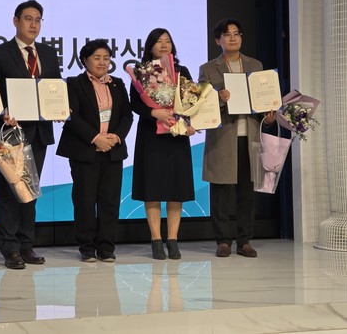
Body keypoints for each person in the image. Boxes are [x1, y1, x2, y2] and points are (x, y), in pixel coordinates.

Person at [0, 0, 61, 269]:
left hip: (39, 131)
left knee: (30, 190)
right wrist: (2, 111)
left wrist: (59, 108)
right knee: (9, 191)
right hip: (11, 133)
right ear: (15, 21)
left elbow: (54, 88)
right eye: (28, 19)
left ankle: (26, 245)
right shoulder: (0, 52)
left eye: (38, 20)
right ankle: (10, 249)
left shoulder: (48, 53)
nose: (33, 24)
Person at [198, 19, 275, 258]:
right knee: (221, 192)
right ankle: (223, 241)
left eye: (236, 34)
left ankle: (244, 241)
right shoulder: (208, 68)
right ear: (217, 40)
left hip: (250, 136)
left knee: (247, 192)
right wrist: (219, 98)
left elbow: (265, 98)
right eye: (227, 34)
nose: (232, 38)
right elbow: (201, 104)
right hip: (223, 137)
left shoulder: (255, 65)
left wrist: (268, 116)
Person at [57, 39, 133, 262]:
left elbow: (127, 116)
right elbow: (72, 116)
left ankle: (106, 247)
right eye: (97, 58)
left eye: (106, 58)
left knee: (110, 201)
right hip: (84, 150)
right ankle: (87, 247)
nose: (102, 62)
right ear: (84, 60)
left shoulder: (117, 84)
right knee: (85, 200)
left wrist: (115, 137)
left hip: (112, 150)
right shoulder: (74, 83)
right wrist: (95, 138)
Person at [130, 28, 195, 260]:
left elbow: (191, 100)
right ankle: (156, 239)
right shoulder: (141, 72)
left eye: (168, 41)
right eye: (159, 41)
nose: (164, 45)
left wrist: (190, 123)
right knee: (153, 188)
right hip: (151, 135)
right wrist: (154, 112)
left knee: (176, 188)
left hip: (176, 134)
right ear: (150, 46)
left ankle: (173, 239)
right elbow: (135, 104)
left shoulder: (181, 71)